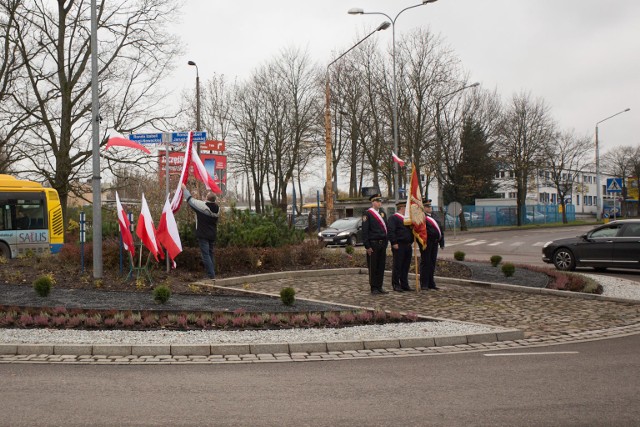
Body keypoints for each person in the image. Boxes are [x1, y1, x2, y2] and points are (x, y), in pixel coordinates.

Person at [182, 183, 220, 280]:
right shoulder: (217, 208)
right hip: (212, 234)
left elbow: (190, 200)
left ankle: (211, 276)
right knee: (210, 254)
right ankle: (212, 273)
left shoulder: (203, 206)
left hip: (203, 235)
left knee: (206, 255)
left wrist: (184, 189)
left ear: (207, 198)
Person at [361, 194, 389, 295]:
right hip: (373, 244)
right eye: (377, 201)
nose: (379, 203)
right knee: (373, 266)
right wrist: (367, 246)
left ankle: (379, 286)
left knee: (381, 266)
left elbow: (386, 228)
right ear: (373, 202)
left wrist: (386, 242)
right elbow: (365, 231)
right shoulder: (367, 213)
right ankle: (373, 287)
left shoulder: (382, 213)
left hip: (382, 243)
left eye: (380, 201)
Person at [387, 200, 413, 292]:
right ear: (402, 208)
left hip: (408, 245)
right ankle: (396, 284)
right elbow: (391, 231)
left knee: (406, 266)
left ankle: (404, 284)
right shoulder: (394, 218)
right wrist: (394, 243)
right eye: (406, 208)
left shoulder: (407, 219)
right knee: (398, 266)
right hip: (399, 245)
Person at [419, 198, 444, 290]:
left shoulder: (434, 215)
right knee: (426, 263)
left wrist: (442, 242)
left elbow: (440, 229)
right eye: (427, 206)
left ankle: (431, 283)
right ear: (423, 208)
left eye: (430, 206)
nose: (429, 208)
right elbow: (420, 231)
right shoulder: (422, 217)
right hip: (426, 243)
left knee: (432, 263)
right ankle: (424, 283)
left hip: (435, 242)